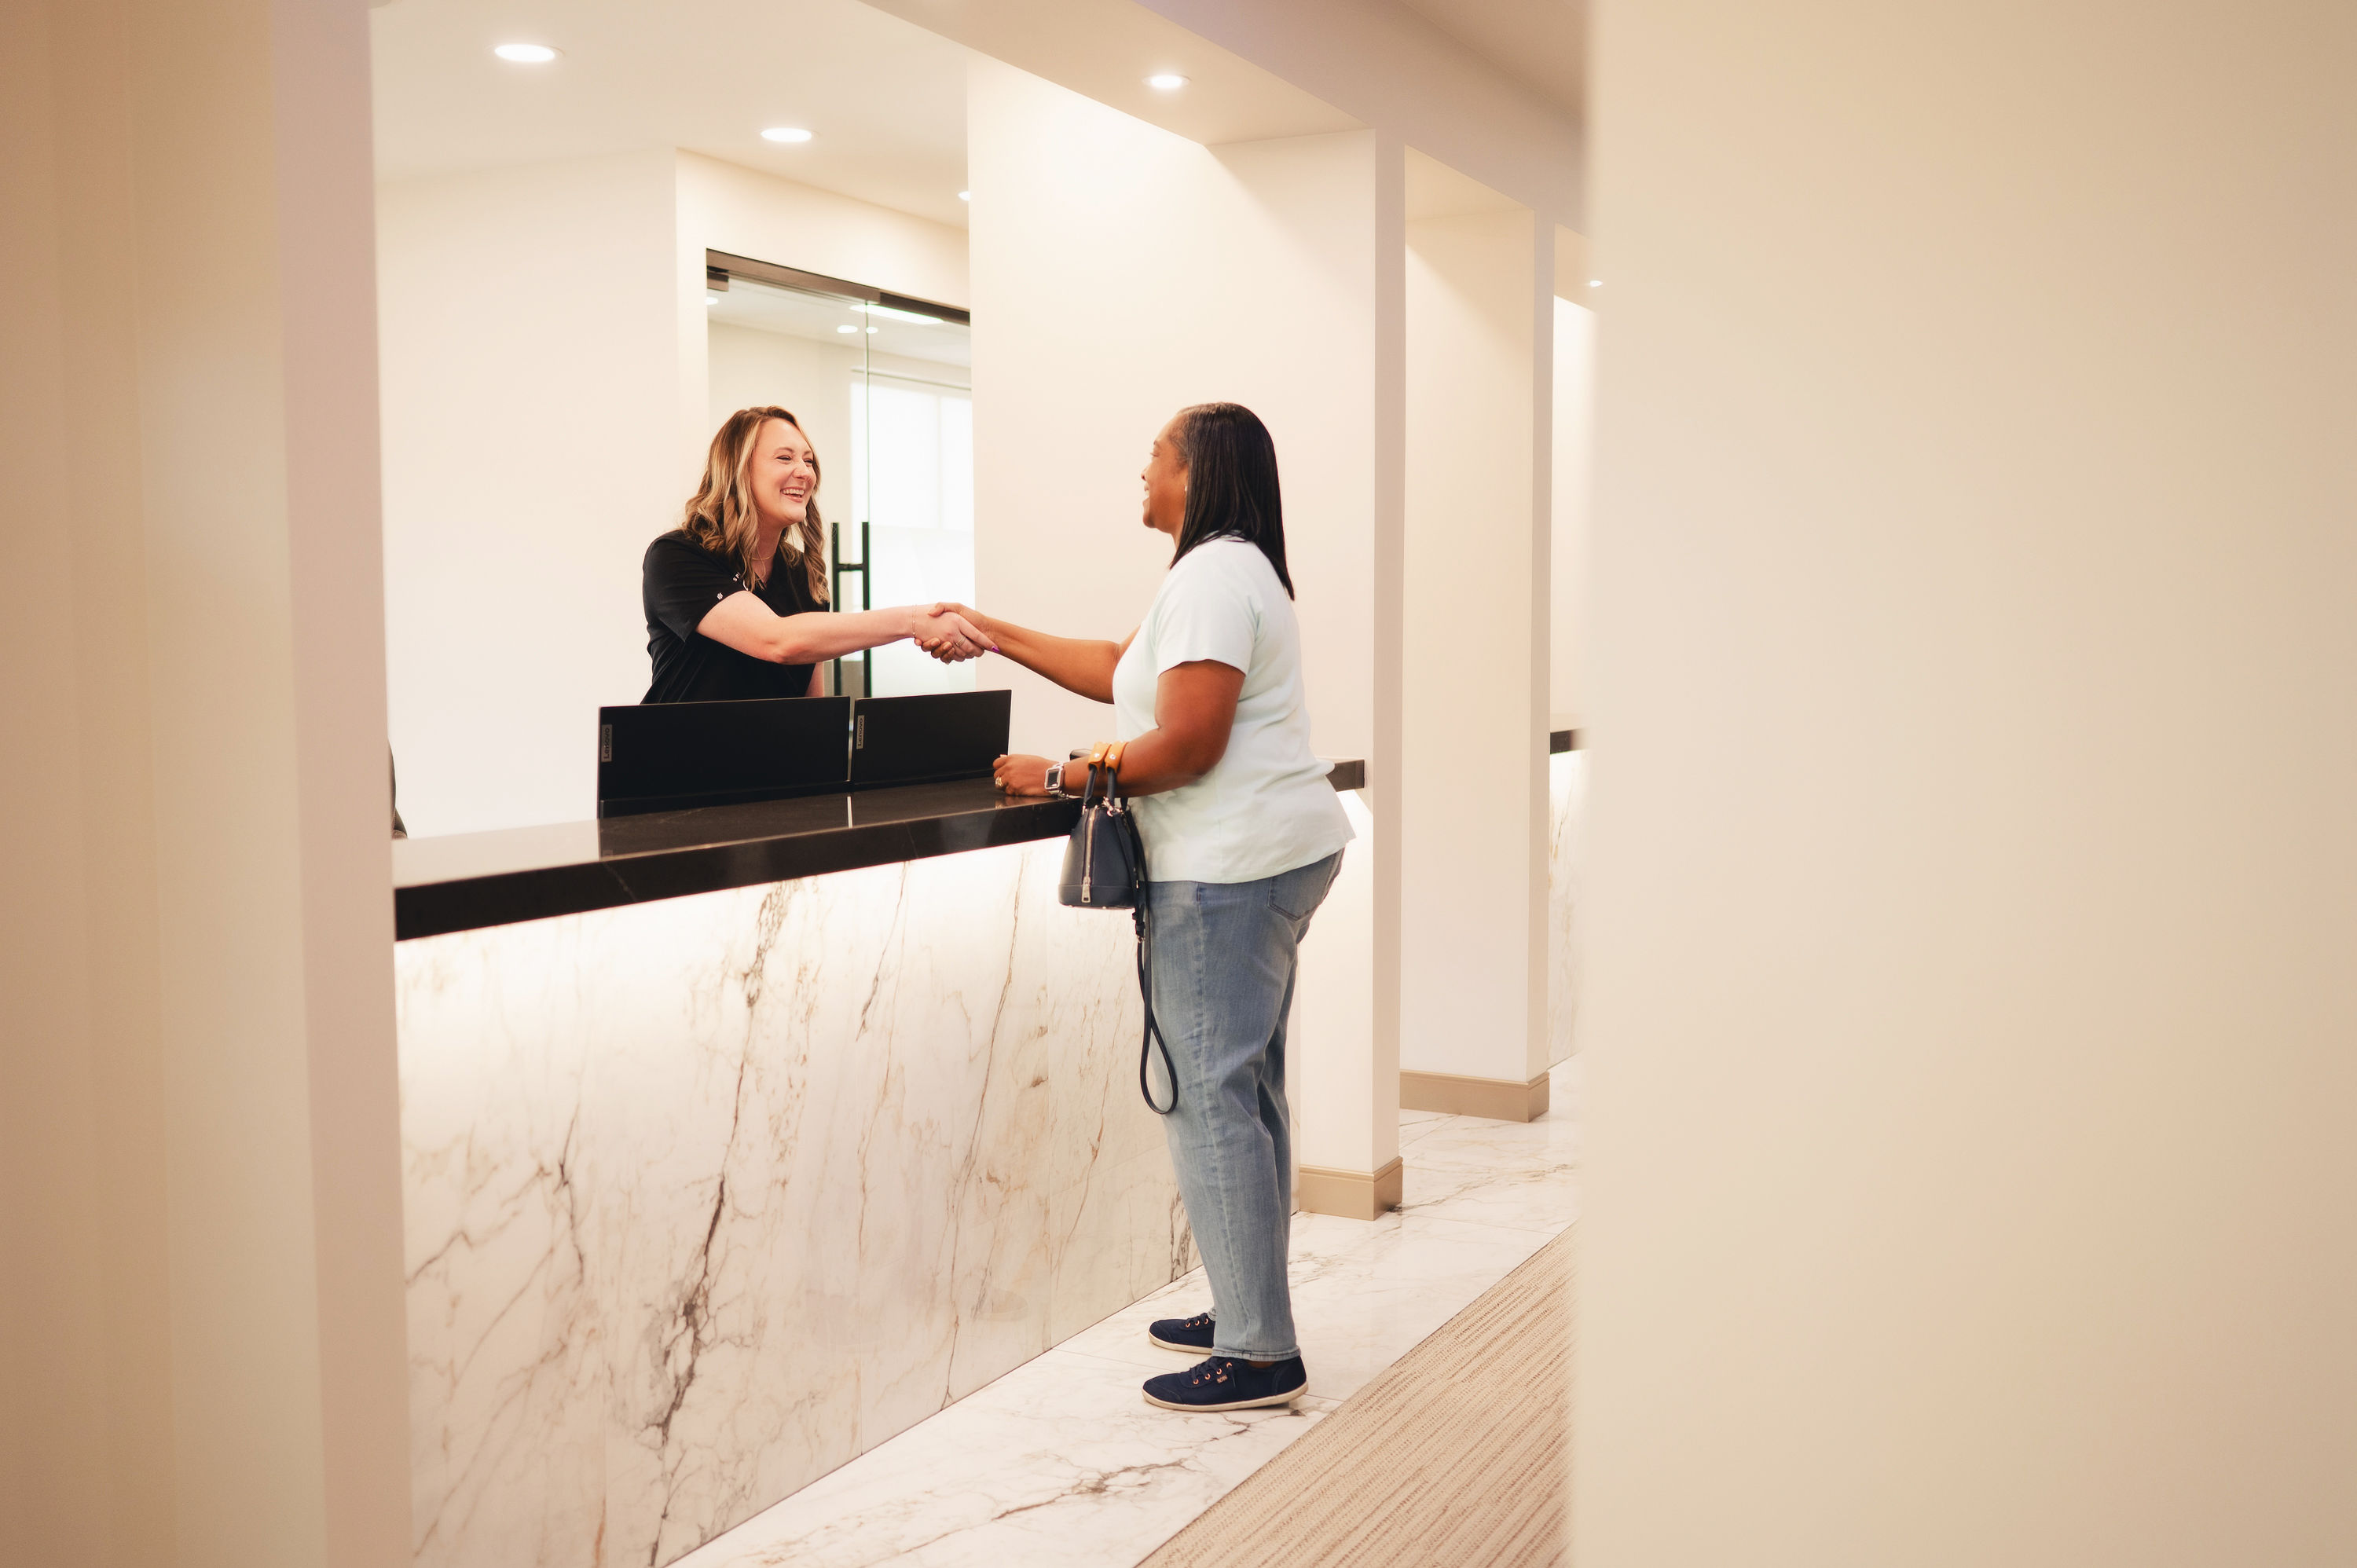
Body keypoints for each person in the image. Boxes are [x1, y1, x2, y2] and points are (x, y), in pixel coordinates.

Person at [943, 402, 1353, 1412]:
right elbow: (1117, 668)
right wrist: (991, 633)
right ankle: (1244, 1304)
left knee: (1210, 1093)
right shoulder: (1220, 570)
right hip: (1267, 858)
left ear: (1198, 469)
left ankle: (1259, 1349)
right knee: (1244, 1092)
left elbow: (1190, 742)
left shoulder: (1214, 574)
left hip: (1229, 869)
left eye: (1156, 454)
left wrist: (1060, 773)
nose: (1143, 469)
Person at [643, 405, 992, 702]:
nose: (805, 472)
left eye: (808, 461)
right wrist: (912, 620)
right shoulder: (677, 556)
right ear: (738, 470)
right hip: (678, 772)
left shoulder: (801, 572)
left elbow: (811, 705)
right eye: (785, 458)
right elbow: (778, 640)